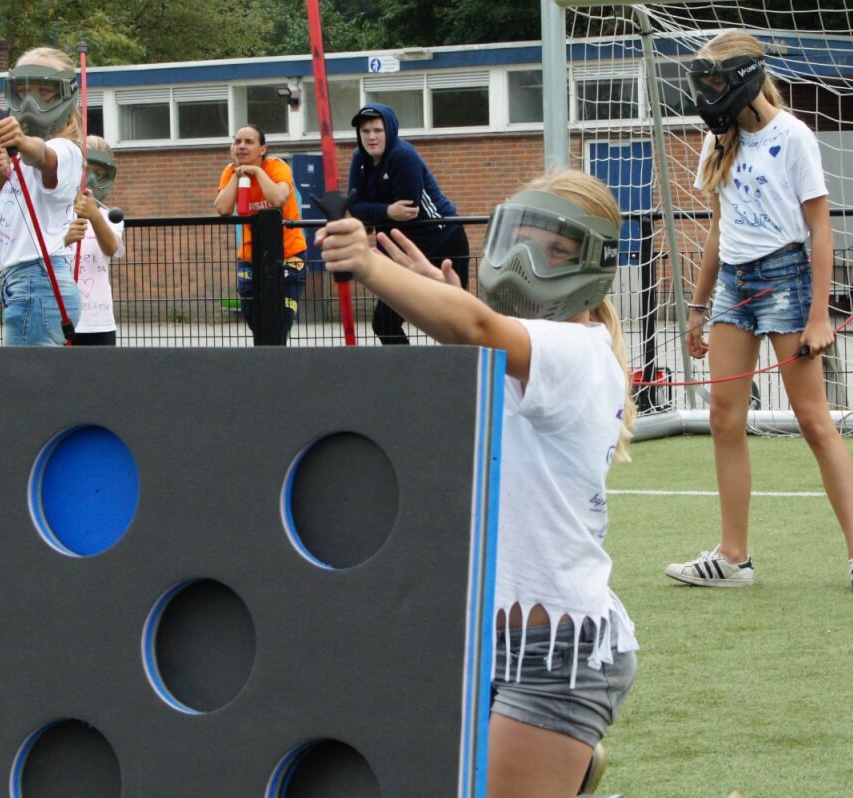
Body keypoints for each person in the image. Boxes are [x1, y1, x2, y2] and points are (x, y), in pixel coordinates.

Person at [316, 169, 638, 797]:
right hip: (492, 641)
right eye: (521, 242)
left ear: (593, 264)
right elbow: (476, 333)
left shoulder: (576, 352)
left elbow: (477, 329)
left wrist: (372, 268)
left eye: (555, 251)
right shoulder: (529, 353)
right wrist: (447, 301)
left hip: (555, 655)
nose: (526, 265)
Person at [665, 30, 853, 594]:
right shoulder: (716, 141)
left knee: (813, 420)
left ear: (744, 77)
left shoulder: (793, 136)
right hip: (733, 287)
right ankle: (733, 558)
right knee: (724, 417)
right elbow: (717, 228)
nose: (708, 92)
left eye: (716, 80)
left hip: (787, 280)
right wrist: (697, 306)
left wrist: (820, 316)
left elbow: (820, 228)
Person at [0, 47, 82, 346]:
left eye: (44, 91)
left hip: (38, 281)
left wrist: (20, 140)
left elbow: (42, 155)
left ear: (65, 94)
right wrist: (0, 167)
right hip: (22, 282)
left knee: (23, 375)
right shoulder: (17, 156)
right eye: (23, 91)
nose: (31, 102)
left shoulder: (67, 150)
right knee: (33, 375)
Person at [348, 103, 471, 344]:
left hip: (443, 241)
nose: (371, 137)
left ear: (390, 130)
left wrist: (375, 212)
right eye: (365, 131)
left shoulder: (403, 156)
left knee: (456, 321)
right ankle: (410, 368)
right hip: (403, 249)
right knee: (384, 323)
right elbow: (355, 206)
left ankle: (465, 365)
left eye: (378, 130)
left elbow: (407, 211)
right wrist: (387, 211)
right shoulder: (358, 158)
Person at [213, 124, 307, 340]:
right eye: (237, 141)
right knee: (255, 320)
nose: (241, 146)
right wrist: (238, 173)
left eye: (249, 142)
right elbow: (223, 208)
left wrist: (256, 171)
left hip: (289, 255)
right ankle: (266, 359)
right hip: (250, 256)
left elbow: (278, 199)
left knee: (281, 322)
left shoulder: (277, 166)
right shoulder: (230, 171)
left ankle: (277, 357)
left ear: (263, 149)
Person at [65, 135, 125, 346]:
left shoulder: (110, 217)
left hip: (98, 322)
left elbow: (112, 249)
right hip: (62, 317)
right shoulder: (56, 214)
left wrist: (95, 216)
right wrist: (65, 239)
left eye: (99, 174)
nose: (91, 180)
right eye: (86, 171)